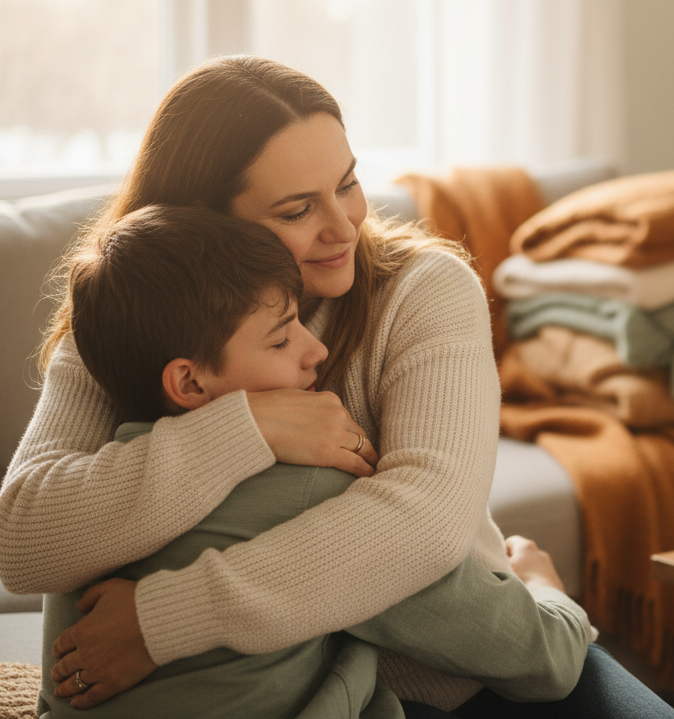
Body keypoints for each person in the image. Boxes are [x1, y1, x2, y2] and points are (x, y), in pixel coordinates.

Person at [0, 56, 674, 718]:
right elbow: (23, 542)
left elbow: (425, 525)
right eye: (298, 209)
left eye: (348, 183)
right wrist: (249, 428)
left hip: (463, 668)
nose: (345, 225)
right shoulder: (135, 314)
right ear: (203, 221)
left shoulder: (426, 290)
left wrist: (163, 619)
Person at [38, 203, 591, 718]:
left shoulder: (83, 528)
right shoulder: (317, 492)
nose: (317, 350)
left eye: (347, 182)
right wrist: (546, 590)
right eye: (281, 340)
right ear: (188, 381)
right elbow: (543, 659)